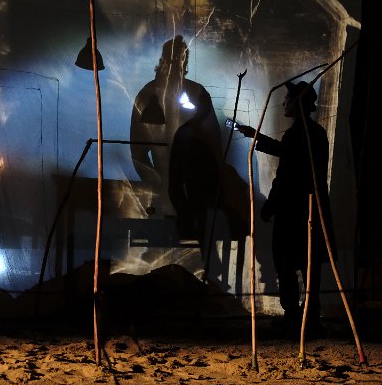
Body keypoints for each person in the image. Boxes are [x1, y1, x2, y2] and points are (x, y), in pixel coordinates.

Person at [236, 81, 335, 335]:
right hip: (312, 209)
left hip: (294, 211)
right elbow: (286, 153)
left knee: (287, 263)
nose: (283, 103)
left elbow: (287, 174)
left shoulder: (298, 134)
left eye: (288, 99)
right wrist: (254, 135)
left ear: (297, 104)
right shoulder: (315, 133)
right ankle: (308, 316)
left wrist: (270, 205)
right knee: (308, 266)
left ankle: (293, 316)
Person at [130, 35, 222, 242]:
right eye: (171, 60)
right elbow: (138, 153)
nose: (175, 65)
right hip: (166, 190)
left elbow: (214, 145)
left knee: (191, 242)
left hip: (194, 189)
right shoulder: (146, 96)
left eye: (179, 60)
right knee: (166, 242)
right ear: (162, 60)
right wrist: (158, 185)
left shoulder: (197, 93)